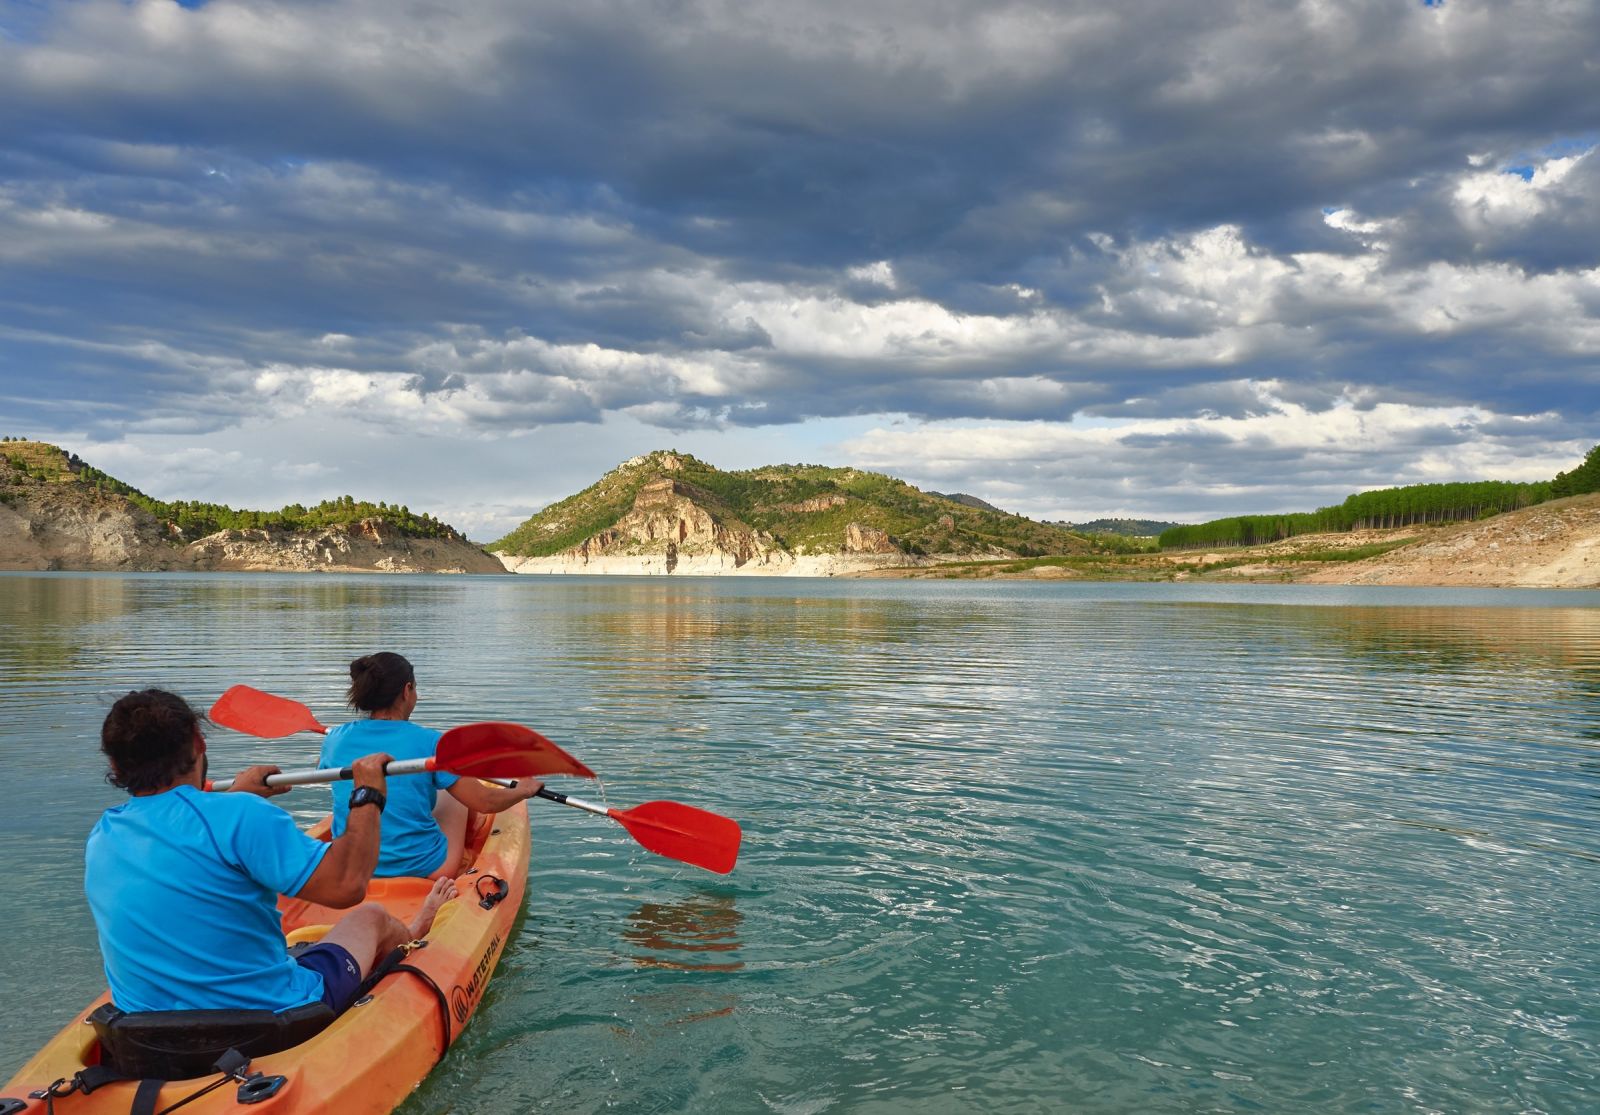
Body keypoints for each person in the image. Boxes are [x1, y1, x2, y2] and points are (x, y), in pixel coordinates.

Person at [86, 689, 455, 1016]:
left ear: (115, 765)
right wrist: (367, 794)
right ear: (198, 743)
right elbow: (347, 885)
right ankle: (411, 933)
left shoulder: (103, 835)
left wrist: (238, 795)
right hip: (269, 1016)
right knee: (373, 917)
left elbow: (185, 831)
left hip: (143, 1029)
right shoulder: (242, 816)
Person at [318, 652, 543, 879]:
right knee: (451, 792)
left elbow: (325, 768)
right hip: (424, 867)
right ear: (407, 690)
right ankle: (471, 842)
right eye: (415, 688)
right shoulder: (433, 743)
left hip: (349, 866)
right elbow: (485, 802)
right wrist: (523, 790)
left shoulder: (334, 740)